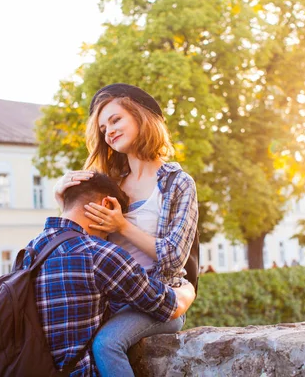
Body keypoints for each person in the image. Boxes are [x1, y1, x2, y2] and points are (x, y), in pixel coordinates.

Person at [54, 83, 199, 377]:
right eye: (104, 127)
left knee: (107, 344)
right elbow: (84, 244)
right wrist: (63, 202)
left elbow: (173, 256)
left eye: (116, 119)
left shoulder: (178, 183)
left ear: (140, 117)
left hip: (159, 300)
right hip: (110, 299)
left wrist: (122, 226)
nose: (109, 131)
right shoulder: (111, 185)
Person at [26, 172, 195, 376]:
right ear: (106, 205)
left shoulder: (31, 252)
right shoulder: (99, 254)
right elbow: (165, 305)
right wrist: (187, 290)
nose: (108, 237)